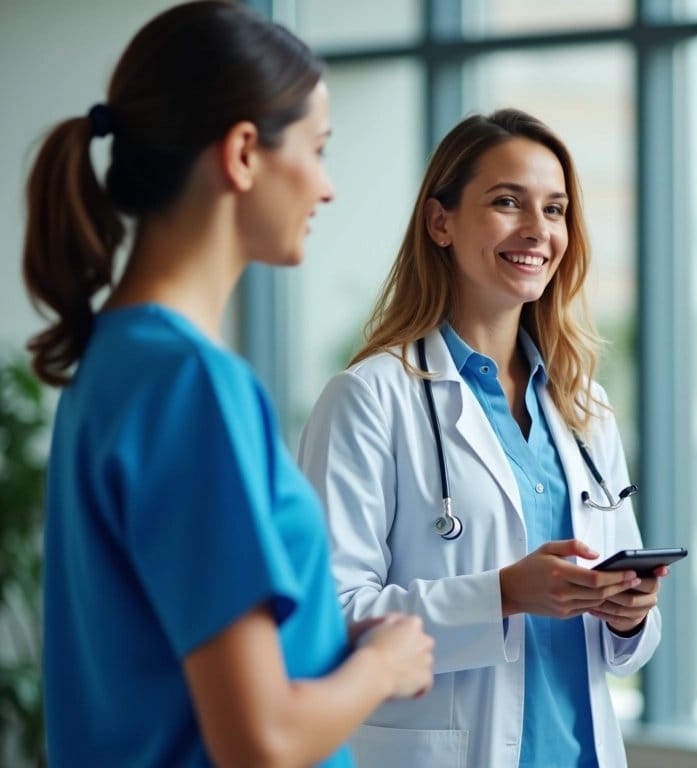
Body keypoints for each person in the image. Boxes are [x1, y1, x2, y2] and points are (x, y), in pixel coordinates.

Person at [22, 2, 436, 766]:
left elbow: (162, 649)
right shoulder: (193, 385)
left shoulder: (114, 360)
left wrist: (326, 635)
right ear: (244, 153)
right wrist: (384, 666)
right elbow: (261, 740)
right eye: (317, 149)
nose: (327, 187)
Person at [298, 107, 663, 768]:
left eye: (555, 210)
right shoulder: (369, 398)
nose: (537, 231)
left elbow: (632, 636)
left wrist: (630, 611)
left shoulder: (585, 408)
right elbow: (329, 614)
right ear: (441, 222)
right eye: (507, 202)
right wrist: (503, 594)